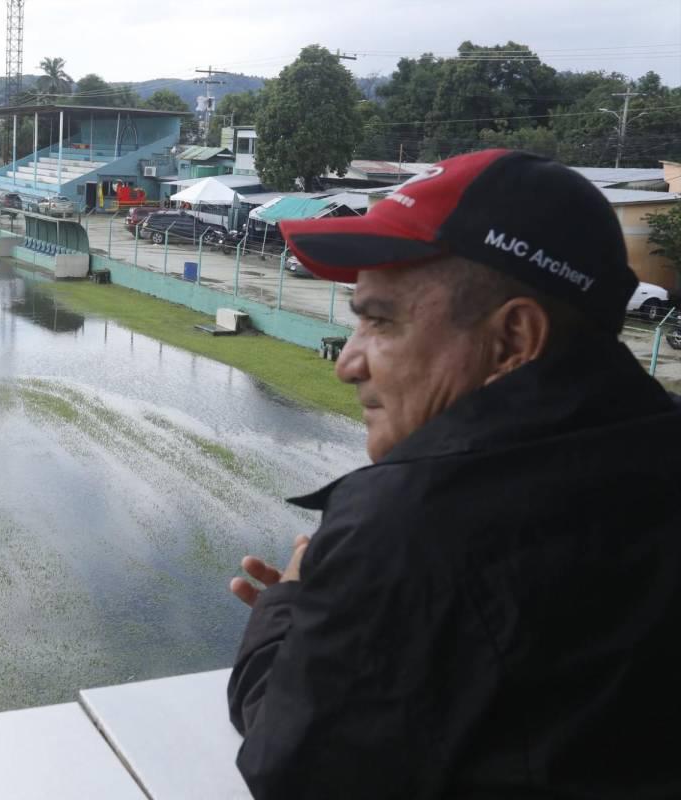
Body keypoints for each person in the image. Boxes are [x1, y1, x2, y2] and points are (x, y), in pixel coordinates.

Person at [227, 150, 681, 799]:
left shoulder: (407, 527)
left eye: (379, 320)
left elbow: (294, 768)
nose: (347, 364)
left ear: (514, 340)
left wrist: (288, 606)